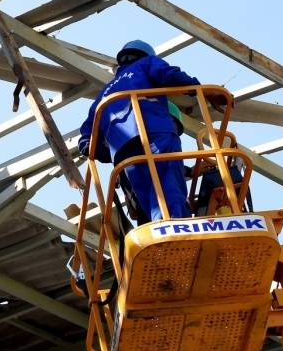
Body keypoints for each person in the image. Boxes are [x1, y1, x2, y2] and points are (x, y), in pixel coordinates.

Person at [77, 40, 204, 222]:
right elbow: (168, 75)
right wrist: (199, 89)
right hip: (153, 131)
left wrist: (105, 152)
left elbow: (87, 140)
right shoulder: (146, 64)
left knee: (146, 195)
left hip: (123, 151)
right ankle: (175, 226)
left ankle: (159, 228)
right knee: (167, 182)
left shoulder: (104, 94)